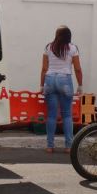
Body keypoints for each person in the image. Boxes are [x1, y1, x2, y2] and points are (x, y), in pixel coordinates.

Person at [39, 25, 83, 153]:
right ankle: (69, 146)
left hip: (49, 80)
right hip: (65, 80)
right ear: (69, 36)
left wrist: (41, 85)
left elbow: (44, 68)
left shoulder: (48, 47)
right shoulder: (73, 48)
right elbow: (77, 69)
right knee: (67, 115)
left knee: (51, 115)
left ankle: (50, 146)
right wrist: (80, 85)